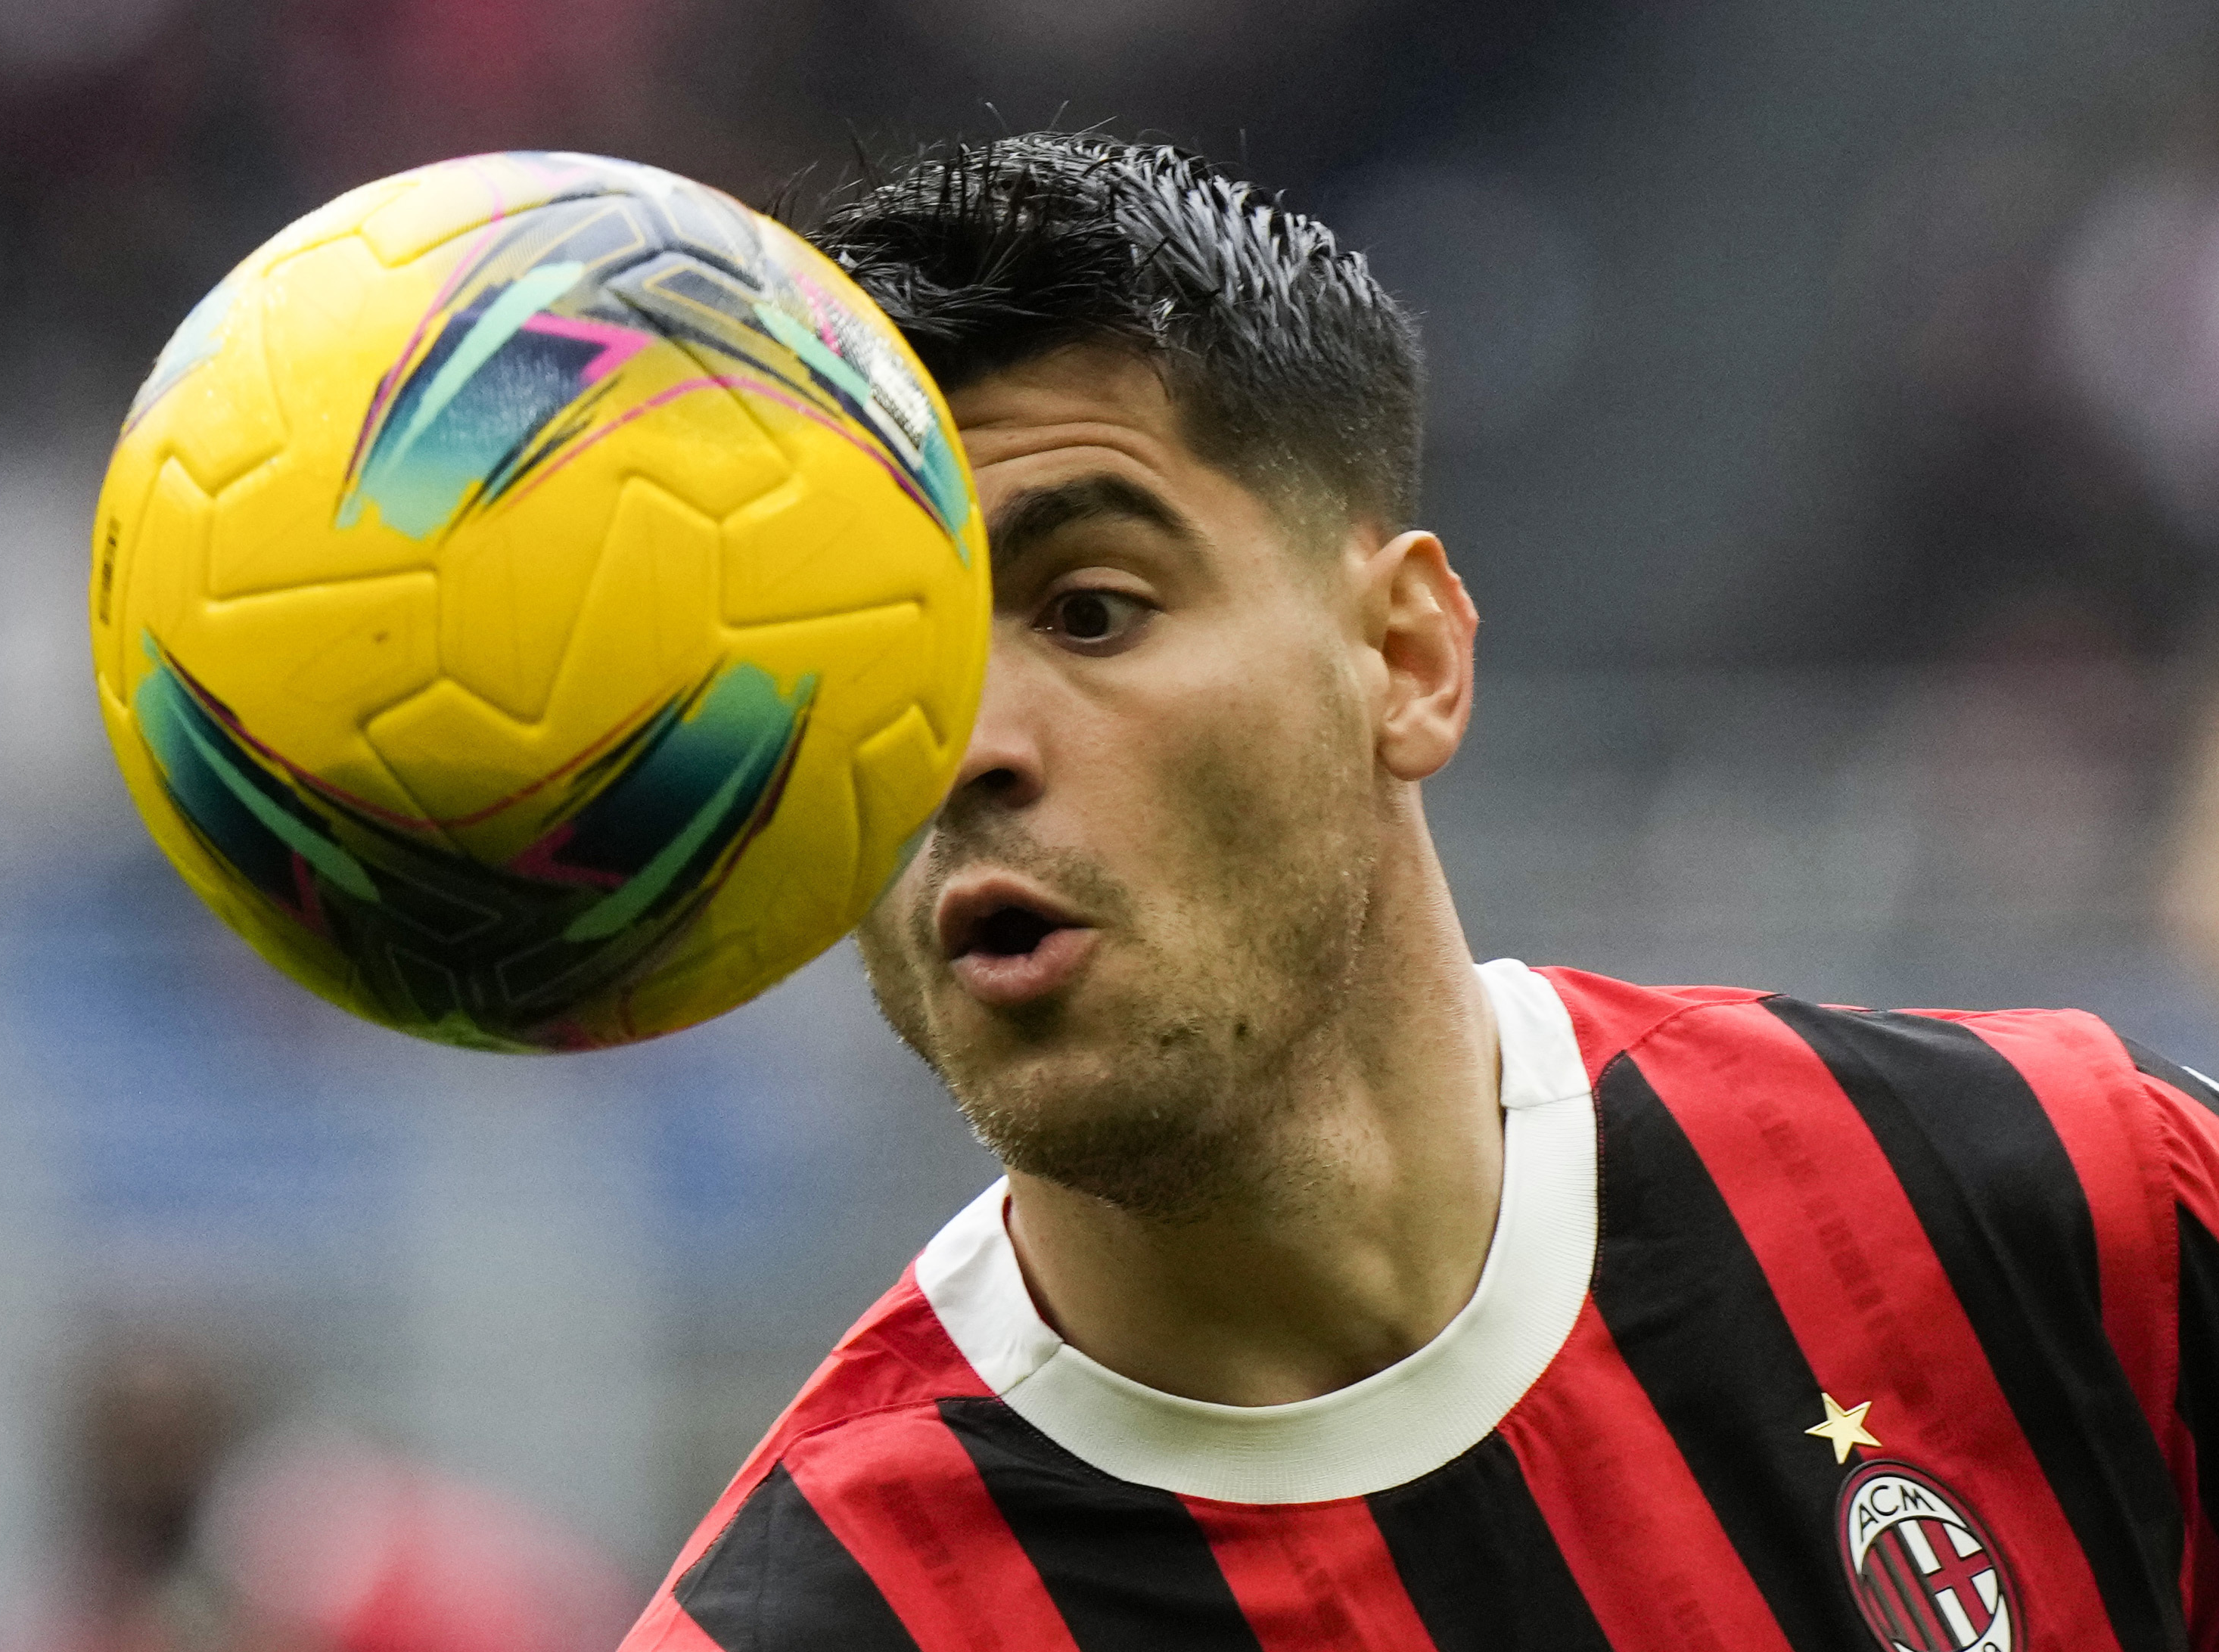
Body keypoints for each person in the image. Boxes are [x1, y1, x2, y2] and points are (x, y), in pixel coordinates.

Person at [619, 133, 2219, 1651]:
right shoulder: (822, 1621)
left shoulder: (2075, 1211)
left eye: (1091, 613)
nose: (964, 747)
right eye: (877, 669)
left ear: (1407, 659)